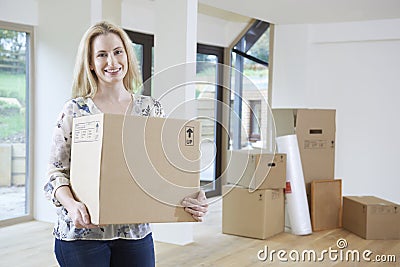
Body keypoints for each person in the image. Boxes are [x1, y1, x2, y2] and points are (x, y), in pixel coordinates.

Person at [43, 21, 208, 267]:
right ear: (90, 63)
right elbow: (56, 173)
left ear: (128, 56)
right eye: (102, 55)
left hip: (134, 234)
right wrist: (72, 205)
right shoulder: (76, 110)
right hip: (82, 237)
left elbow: (165, 167)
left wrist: (193, 194)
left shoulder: (150, 109)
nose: (112, 62)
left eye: (118, 52)